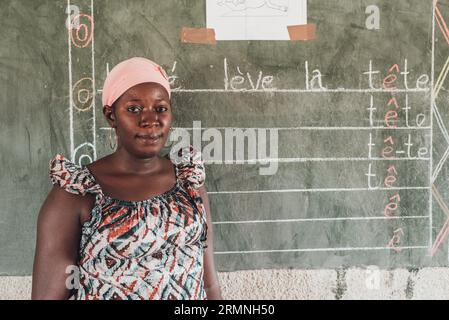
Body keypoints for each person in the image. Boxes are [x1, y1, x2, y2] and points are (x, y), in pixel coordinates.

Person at [32, 57, 222, 300]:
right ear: (111, 116)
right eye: (134, 109)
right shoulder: (77, 192)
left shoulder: (188, 180)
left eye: (160, 108)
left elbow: (209, 284)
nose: (150, 119)